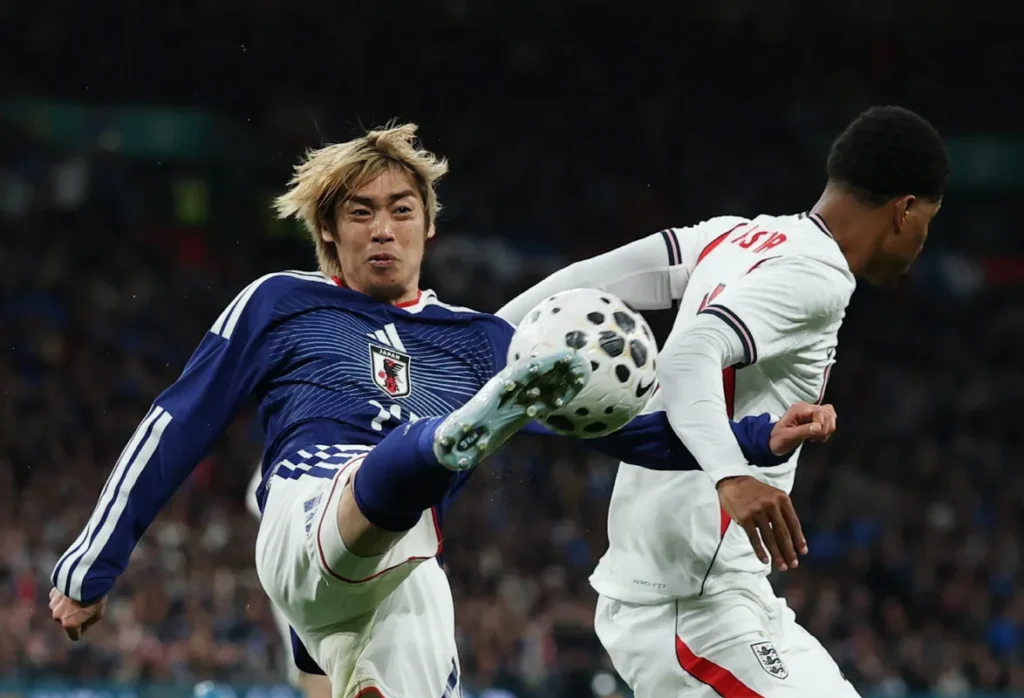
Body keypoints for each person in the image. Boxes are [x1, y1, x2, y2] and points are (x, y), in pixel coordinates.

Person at [48, 123, 836, 698]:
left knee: (423, 581)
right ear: (329, 229)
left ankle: (447, 447)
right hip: (307, 509)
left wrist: (760, 436)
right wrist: (93, 564)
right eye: (360, 213)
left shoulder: (479, 338)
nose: (382, 229)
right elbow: (178, 422)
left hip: (400, 567)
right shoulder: (281, 303)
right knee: (407, 470)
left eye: (399, 209)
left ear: (428, 223)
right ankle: (456, 435)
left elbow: (630, 432)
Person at [497, 105, 949, 697]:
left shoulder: (735, 235)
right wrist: (730, 474)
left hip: (732, 592)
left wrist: (476, 339)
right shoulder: (820, 276)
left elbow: (584, 280)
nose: (921, 240)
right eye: (929, 222)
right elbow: (688, 356)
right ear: (906, 209)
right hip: (686, 608)